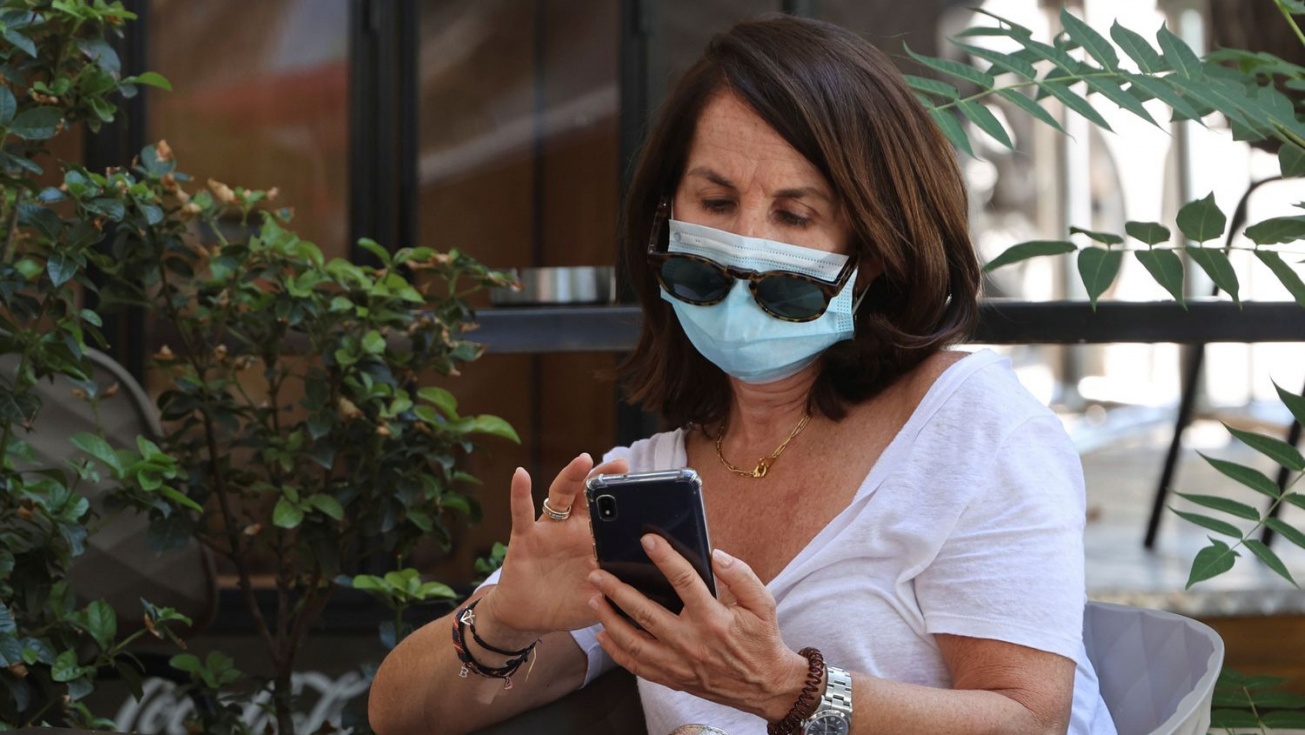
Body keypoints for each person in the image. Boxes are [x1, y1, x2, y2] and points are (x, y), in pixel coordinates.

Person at [369, 13, 1117, 735]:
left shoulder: (972, 425)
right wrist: (504, 620)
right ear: (665, 217)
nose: (743, 244)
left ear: (876, 250)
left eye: (795, 215)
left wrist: (788, 691)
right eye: (717, 201)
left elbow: (1028, 718)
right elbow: (398, 712)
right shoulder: (651, 484)